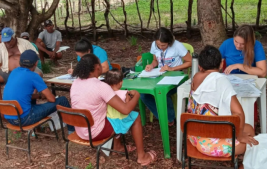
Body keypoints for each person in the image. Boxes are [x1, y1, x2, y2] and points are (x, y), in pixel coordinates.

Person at [70, 54, 156, 166]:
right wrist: (137, 95)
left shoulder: (76, 82)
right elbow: (125, 110)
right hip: (95, 133)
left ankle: (118, 146)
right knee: (135, 117)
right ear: (97, 67)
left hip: (81, 130)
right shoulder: (100, 86)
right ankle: (142, 156)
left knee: (111, 115)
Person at [187, 45, 258, 168]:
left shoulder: (196, 78)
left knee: (249, 128)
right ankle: (243, 166)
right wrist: (240, 136)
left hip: (194, 136)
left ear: (200, 66)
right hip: (211, 145)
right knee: (252, 139)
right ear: (221, 64)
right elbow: (239, 113)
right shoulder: (221, 81)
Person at [3, 50, 74, 133]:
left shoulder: (14, 72)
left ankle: (37, 130)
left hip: (9, 118)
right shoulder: (34, 76)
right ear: (36, 63)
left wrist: (39, 96)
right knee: (62, 100)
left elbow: (23, 95)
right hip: (24, 119)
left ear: (20, 62)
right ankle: (72, 130)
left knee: (30, 99)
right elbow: (52, 99)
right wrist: (45, 96)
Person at [140, 27, 192, 126]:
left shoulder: (177, 46)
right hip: (160, 75)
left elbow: (190, 62)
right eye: (158, 45)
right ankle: (164, 116)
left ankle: (169, 118)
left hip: (176, 76)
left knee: (162, 92)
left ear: (170, 42)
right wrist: (151, 65)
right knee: (144, 94)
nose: (160, 47)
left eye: (163, 45)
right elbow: (155, 60)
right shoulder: (154, 45)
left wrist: (172, 68)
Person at [0, 27, 43, 99]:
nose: (7, 44)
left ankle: (31, 99)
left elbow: (35, 56)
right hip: (7, 72)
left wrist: (31, 69)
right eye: (5, 41)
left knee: (38, 74)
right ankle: (2, 104)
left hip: (27, 70)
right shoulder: (1, 46)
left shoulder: (25, 43)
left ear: (14, 37)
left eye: (9, 41)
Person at [105, 69, 139, 135]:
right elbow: (128, 105)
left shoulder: (106, 93)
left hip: (110, 119)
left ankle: (117, 137)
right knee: (136, 115)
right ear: (121, 82)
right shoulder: (124, 93)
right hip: (121, 119)